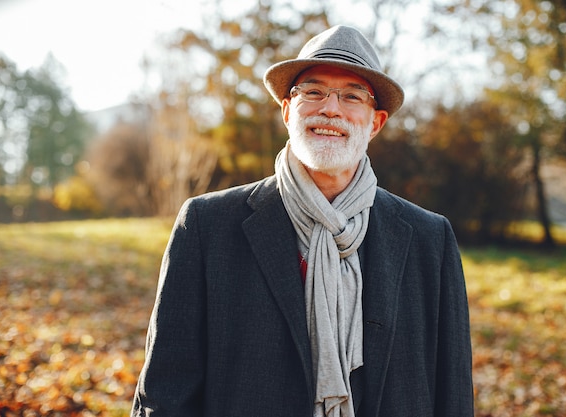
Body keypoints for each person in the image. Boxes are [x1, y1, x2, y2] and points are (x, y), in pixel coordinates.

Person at [131, 25, 473, 417]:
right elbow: (164, 394)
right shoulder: (207, 226)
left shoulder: (429, 238)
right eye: (313, 91)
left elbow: (454, 394)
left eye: (351, 96)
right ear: (287, 110)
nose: (330, 108)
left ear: (375, 123)